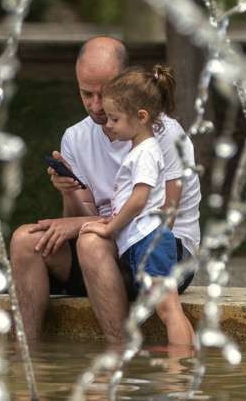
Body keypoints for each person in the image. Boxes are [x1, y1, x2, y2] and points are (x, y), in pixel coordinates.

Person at [6, 36, 201, 345]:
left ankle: (118, 353)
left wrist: (91, 227)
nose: (96, 106)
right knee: (24, 241)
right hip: (106, 250)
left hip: (160, 250)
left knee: (90, 243)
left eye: (104, 93)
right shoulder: (75, 138)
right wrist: (69, 193)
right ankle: (26, 356)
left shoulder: (161, 134)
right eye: (86, 94)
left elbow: (164, 218)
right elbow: (79, 218)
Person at [79, 64, 194, 345]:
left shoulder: (145, 153)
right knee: (169, 307)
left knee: (168, 309)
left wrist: (110, 229)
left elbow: (139, 200)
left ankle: (177, 373)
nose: (108, 125)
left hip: (150, 241)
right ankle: (186, 359)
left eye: (115, 119)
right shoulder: (141, 149)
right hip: (146, 240)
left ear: (141, 117)